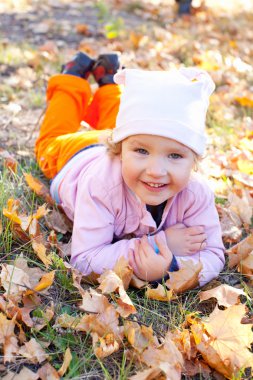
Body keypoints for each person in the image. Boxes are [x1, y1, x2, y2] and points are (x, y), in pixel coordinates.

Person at [35, 52, 225, 286]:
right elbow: (84, 259)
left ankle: (108, 84)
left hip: (119, 137)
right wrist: (159, 244)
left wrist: (170, 267)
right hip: (76, 156)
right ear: (120, 149)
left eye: (175, 155)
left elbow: (213, 254)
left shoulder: (196, 193)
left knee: (130, 123)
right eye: (142, 152)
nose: (156, 170)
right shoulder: (101, 185)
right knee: (49, 142)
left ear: (193, 161)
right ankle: (72, 79)